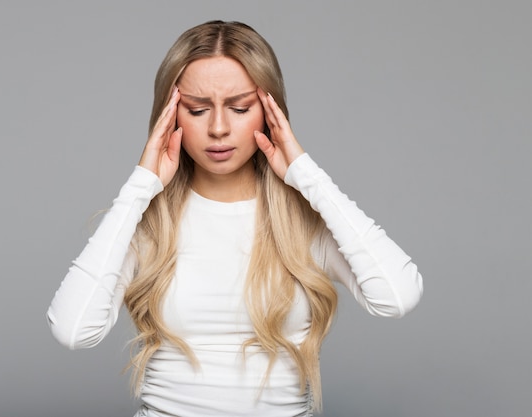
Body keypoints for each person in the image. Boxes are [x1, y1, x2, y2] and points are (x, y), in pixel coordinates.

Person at [47, 20, 423, 417]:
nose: (219, 128)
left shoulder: (302, 222)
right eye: (197, 109)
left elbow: (397, 297)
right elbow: (72, 331)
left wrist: (306, 174)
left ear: (269, 112)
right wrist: (140, 187)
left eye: (240, 107)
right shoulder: (146, 225)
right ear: (170, 116)